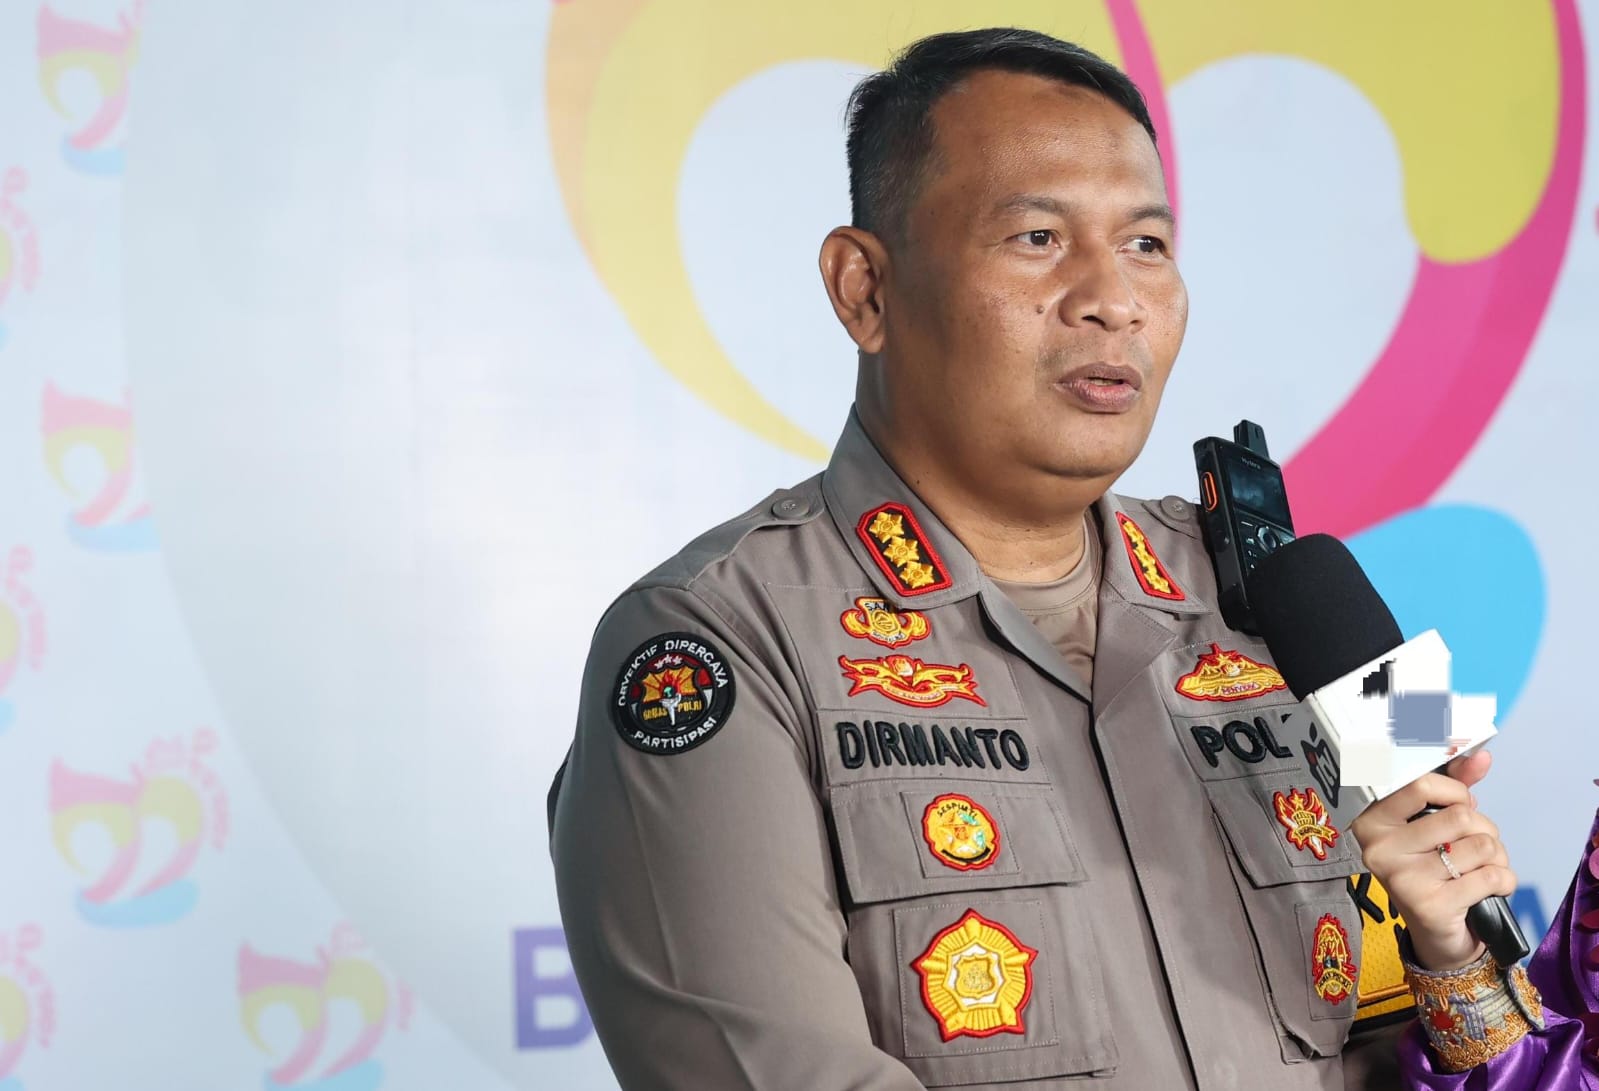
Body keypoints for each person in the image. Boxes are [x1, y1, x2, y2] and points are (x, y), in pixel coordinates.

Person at [549, 27, 1581, 1089]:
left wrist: (1452, 958)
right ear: (864, 289)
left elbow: (1463, 1031)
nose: (1113, 298)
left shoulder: (1291, 596)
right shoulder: (714, 640)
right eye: (1038, 236)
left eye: (1147, 245)